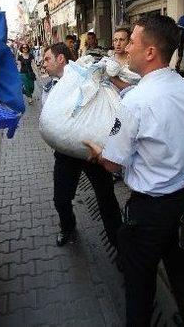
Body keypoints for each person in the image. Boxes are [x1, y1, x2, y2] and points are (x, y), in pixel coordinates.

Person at [84, 15, 184, 326]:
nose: (126, 48)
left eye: (132, 42)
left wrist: (96, 153)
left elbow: (112, 163)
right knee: (179, 266)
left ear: (150, 52)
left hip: (150, 210)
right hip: (183, 199)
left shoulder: (135, 101)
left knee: (138, 280)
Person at [41, 42, 123, 248]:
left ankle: (119, 245)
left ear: (61, 59)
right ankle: (67, 228)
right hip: (65, 153)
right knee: (61, 198)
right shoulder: (50, 87)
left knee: (106, 200)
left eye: (47, 59)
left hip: (92, 152)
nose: (43, 64)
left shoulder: (85, 76)